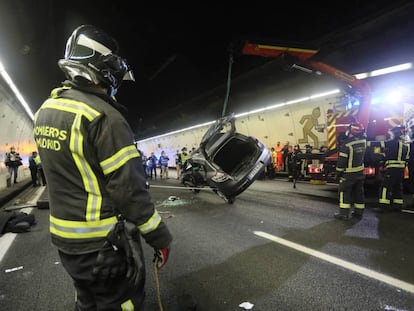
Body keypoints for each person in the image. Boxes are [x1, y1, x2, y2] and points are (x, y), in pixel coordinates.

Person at [32, 25, 172, 310]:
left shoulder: (46, 110)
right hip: (102, 244)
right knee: (120, 303)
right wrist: (159, 237)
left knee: (87, 300)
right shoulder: (104, 117)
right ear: (101, 69)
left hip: (66, 241)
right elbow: (129, 190)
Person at [367, 125, 410, 213]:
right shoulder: (406, 145)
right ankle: (397, 205)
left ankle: (383, 206)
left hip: (392, 168)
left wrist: (366, 143)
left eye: (392, 133)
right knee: (397, 187)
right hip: (401, 169)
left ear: (395, 134)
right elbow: (406, 157)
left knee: (385, 187)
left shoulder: (392, 142)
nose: (391, 135)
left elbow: (380, 144)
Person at [334, 122, 367, 220]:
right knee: (359, 192)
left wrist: (338, 173)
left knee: (344, 192)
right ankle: (359, 212)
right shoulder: (363, 141)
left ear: (352, 131)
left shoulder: (347, 144)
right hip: (360, 172)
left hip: (349, 174)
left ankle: (343, 214)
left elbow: (341, 162)